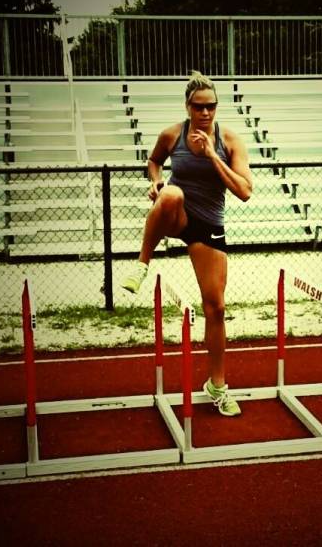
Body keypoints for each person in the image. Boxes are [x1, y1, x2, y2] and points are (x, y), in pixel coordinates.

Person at [121, 71, 252, 416]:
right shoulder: (172, 135)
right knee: (170, 194)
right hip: (177, 215)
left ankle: (217, 386)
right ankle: (142, 265)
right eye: (198, 107)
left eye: (211, 106)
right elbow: (154, 161)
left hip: (208, 226)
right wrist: (155, 181)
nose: (205, 112)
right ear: (188, 107)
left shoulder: (230, 141)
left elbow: (244, 192)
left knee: (216, 308)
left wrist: (212, 155)